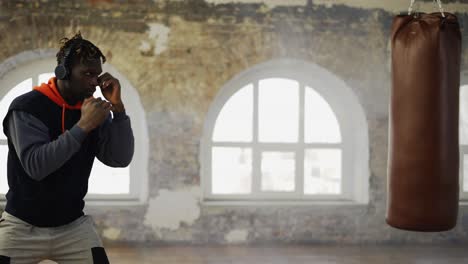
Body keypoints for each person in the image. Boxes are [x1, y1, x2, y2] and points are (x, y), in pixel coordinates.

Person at [0, 32, 134, 263]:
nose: (95, 82)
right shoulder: (26, 107)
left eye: (97, 75)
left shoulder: (92, 108)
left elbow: (119, 159)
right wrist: (84, 126)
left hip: (72, 225)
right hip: (23, 226)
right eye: (87, 74)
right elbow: (36, 166)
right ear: (63, 72)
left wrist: (118, 110)